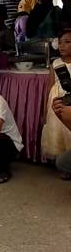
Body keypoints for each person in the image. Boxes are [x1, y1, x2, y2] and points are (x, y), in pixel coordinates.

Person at [41, 29, 71, 164]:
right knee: (56, 130)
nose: (62, 45)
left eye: (67, 42)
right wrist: (44, 110)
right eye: (60, 42)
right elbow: (50, 86)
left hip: (69, 100)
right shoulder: (55, 63)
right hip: (56, 100)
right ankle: (61, 161)